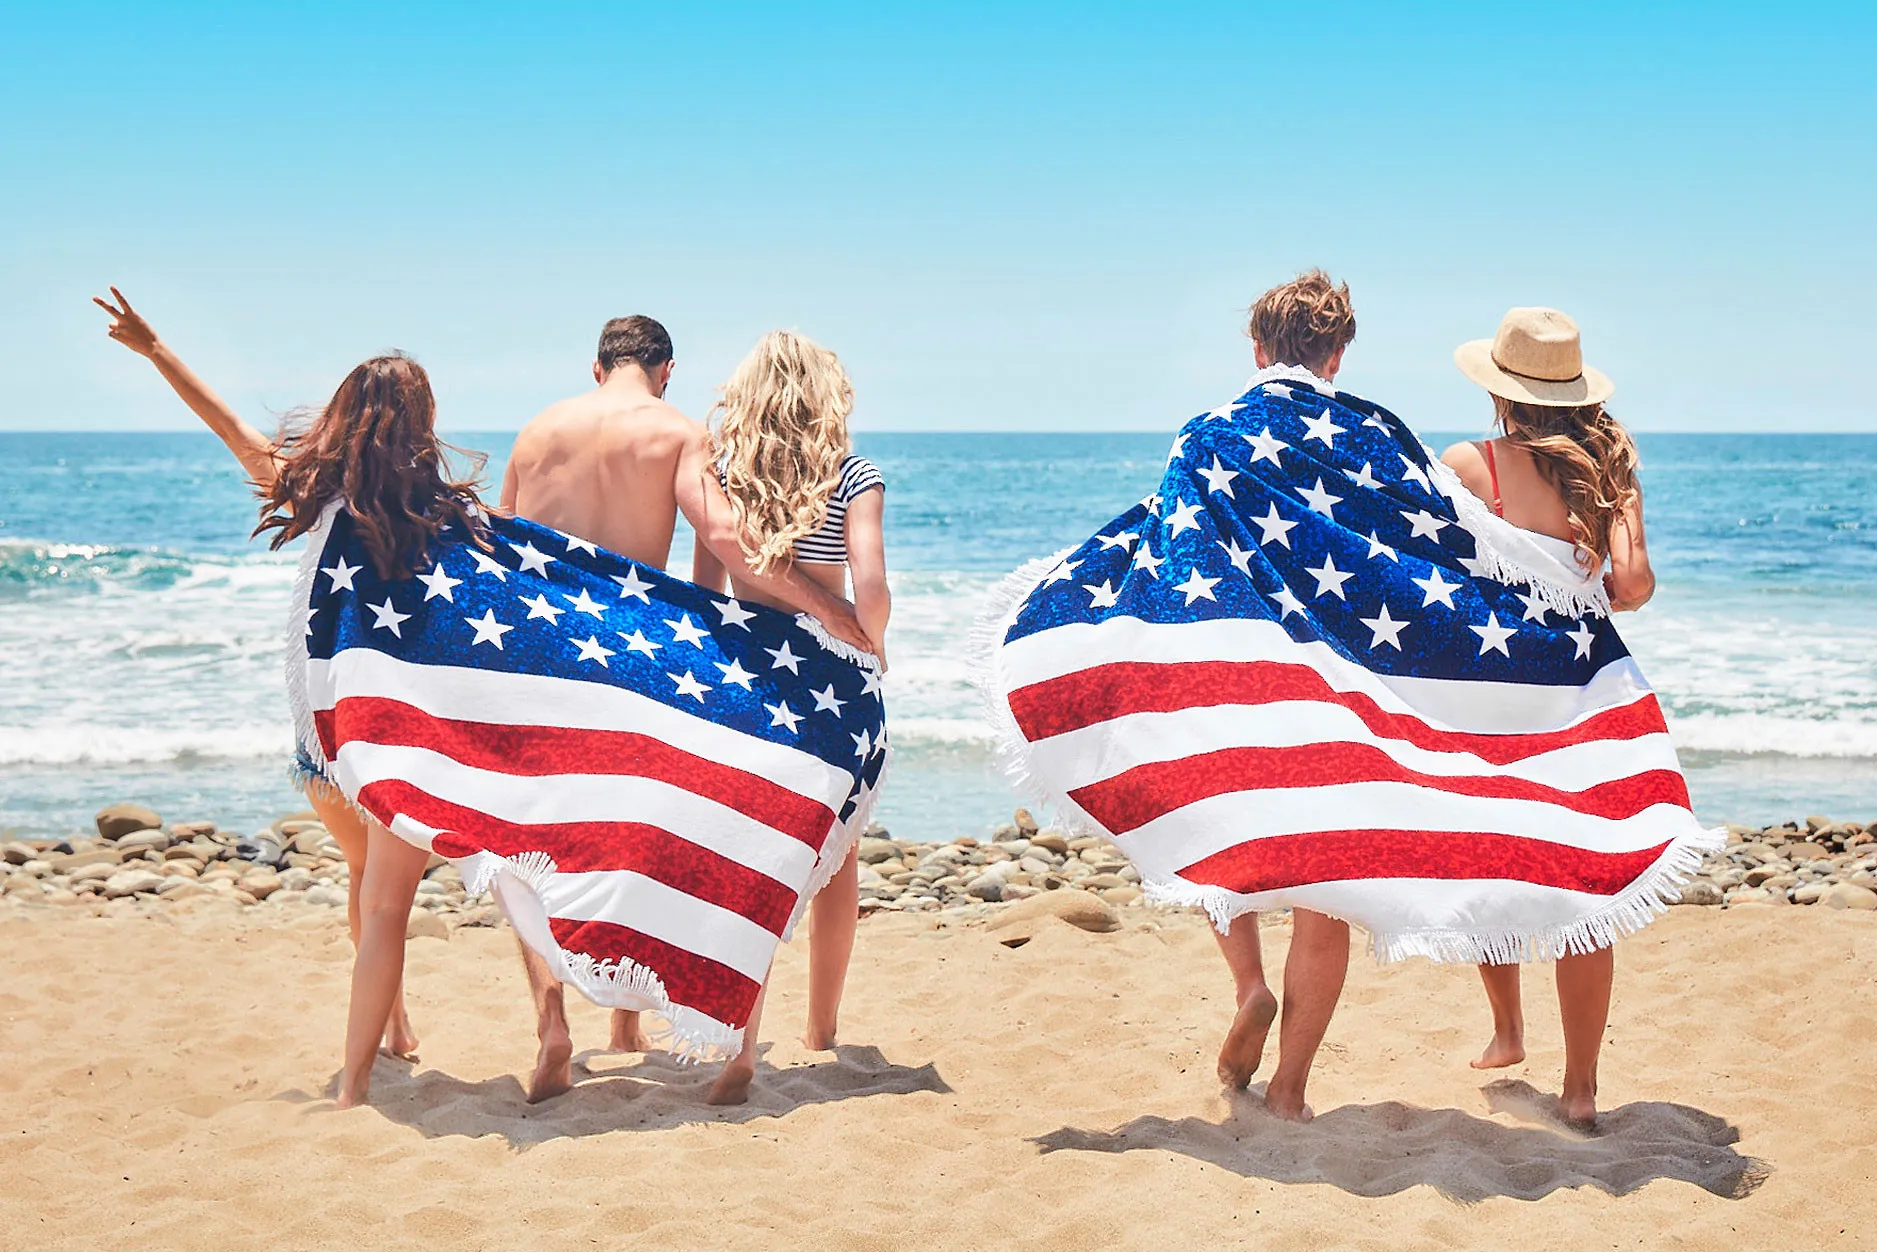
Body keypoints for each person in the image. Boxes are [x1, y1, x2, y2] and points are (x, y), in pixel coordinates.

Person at [92, 288, 473, 1108]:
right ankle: (359, 1078)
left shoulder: (308, 489)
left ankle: (391, 1030)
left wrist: (156, 351)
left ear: (343, 416)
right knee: (386, 901)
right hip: (399, 728)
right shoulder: (449, 515)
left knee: (363, 876)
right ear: (421, 423)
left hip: (325, 725)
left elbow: (225, 425)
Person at [499, 315, 877, 1103]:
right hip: (625, 659)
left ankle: (555, 1027)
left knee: (527, 847)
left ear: (596, 366)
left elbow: (498, 544)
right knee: (634, 842)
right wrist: (825, 610)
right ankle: (666, 1022)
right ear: (665, 370)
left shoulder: (536, 431)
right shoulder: (676, 433)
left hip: (535, 653)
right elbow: (720, 540)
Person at [1441, 306, 1654, 1127]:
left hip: (1494, 691)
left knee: (1492, 855)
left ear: (1499, 390)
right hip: (1580, 688)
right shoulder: (1608, 473)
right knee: (1583, 885)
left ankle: (1505, 1028)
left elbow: (1426, 570)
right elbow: (1629, 588)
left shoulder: (1470, 465)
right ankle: (1579, 1089)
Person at [690, 329, 891, 1105]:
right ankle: (821, 1029)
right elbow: (867, 586)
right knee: (836, 856)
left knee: (758, 858)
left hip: (750, 672)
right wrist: (873, 641)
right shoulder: (853, 473)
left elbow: (706, 588)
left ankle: (741, 1041)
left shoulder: (725, 473)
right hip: (833, 675)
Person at [1198, 271, 1358, 1120]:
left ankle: (1250, 984)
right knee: (1321, 896)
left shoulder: (1210, 433)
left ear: (1256, 350)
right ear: (1336, 355)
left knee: (1219, 843)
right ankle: (1291, 1090)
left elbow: (1170, 555)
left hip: (1242, 680)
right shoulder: (1375, 437)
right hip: (1334, 690)